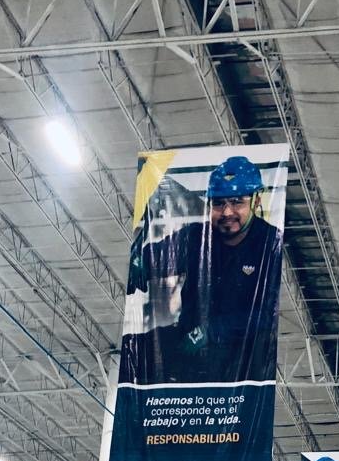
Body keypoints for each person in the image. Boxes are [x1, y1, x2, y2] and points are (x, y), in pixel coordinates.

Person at [120, 155, 282, 384]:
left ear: (256, 201)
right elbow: (163, 253)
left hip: (239, 357)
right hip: (187, 341)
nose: (227, 212)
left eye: (237, 202)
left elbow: (267, 314)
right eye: (218, 203)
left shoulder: (271, 244)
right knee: (132, 350)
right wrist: (141, 263)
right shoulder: (197, 236)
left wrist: (212, 332)